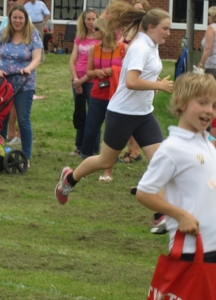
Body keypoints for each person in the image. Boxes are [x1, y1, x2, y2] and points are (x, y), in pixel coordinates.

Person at [55, 6, 173, 222]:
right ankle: (69, 179)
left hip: (144, 114)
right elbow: (131, 81)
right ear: (152, 27)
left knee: (161, 160)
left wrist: (155, 83)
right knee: (104, 160)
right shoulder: (140, 48)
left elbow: (142, 76)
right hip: (122, 113)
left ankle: (160, 216)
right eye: (165, 28)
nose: (169, 33)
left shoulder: (152, 45)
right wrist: (159, 86)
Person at [136, 73, 216, 263]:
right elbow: (144, 192)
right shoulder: (172, 148)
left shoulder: (206, 142)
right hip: (192, 250)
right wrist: (181, 215)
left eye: (213, 105)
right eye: (203, 103)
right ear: (182, 102)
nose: (210, 110)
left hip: (212, 245)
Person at [0, 4, 43, 168]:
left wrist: (28, 68)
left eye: (21, 18)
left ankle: (25, 157)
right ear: (10, 19)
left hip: (24, 84)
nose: (18, 21)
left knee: (23, 119)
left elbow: (37, 57)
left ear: (25, 19)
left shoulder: (33, 35)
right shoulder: (3, 33)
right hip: (4, 83)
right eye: (15, 18)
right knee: (2, 118)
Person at [82, 18, 128, 182]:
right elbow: (89, 72)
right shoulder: (94, 49)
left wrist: (112, 70)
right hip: (97, 94)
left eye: (96, 29)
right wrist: (98, 73)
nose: (92, 31)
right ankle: (84, 166)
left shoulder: (123, 49)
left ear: (105, 31)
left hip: (116, 96)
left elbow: (131, 69)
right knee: (90, 130)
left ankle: (108, 171)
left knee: (111, 134)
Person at [118, 0, 150, 164]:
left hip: (139, 74)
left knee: (137, 114)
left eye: (140, 10)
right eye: (134, 9)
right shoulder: (128, 28)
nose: (136, 12)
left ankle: (135, 151)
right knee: (129, 112)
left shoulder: (144, 32)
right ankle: (130, 149)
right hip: (126, 72)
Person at [69, 8, 100, 156]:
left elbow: (97, 63)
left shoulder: (100, 38)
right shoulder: (79, 37)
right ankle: (79, 146)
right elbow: (72, 61)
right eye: (88, 19)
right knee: (81, 114)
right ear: (84, 20)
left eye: (94, 19)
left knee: (94, 115)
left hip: (91, 80)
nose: (91, 22)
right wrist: (76, 80)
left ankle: (93, 148)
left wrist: (81, 81)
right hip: (77, 81)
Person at [197, 6, 216, 142]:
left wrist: (201, 64)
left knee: (211, 96)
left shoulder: (211, 28)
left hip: (212, 65)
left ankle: (209, 130)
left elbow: (208, 48)